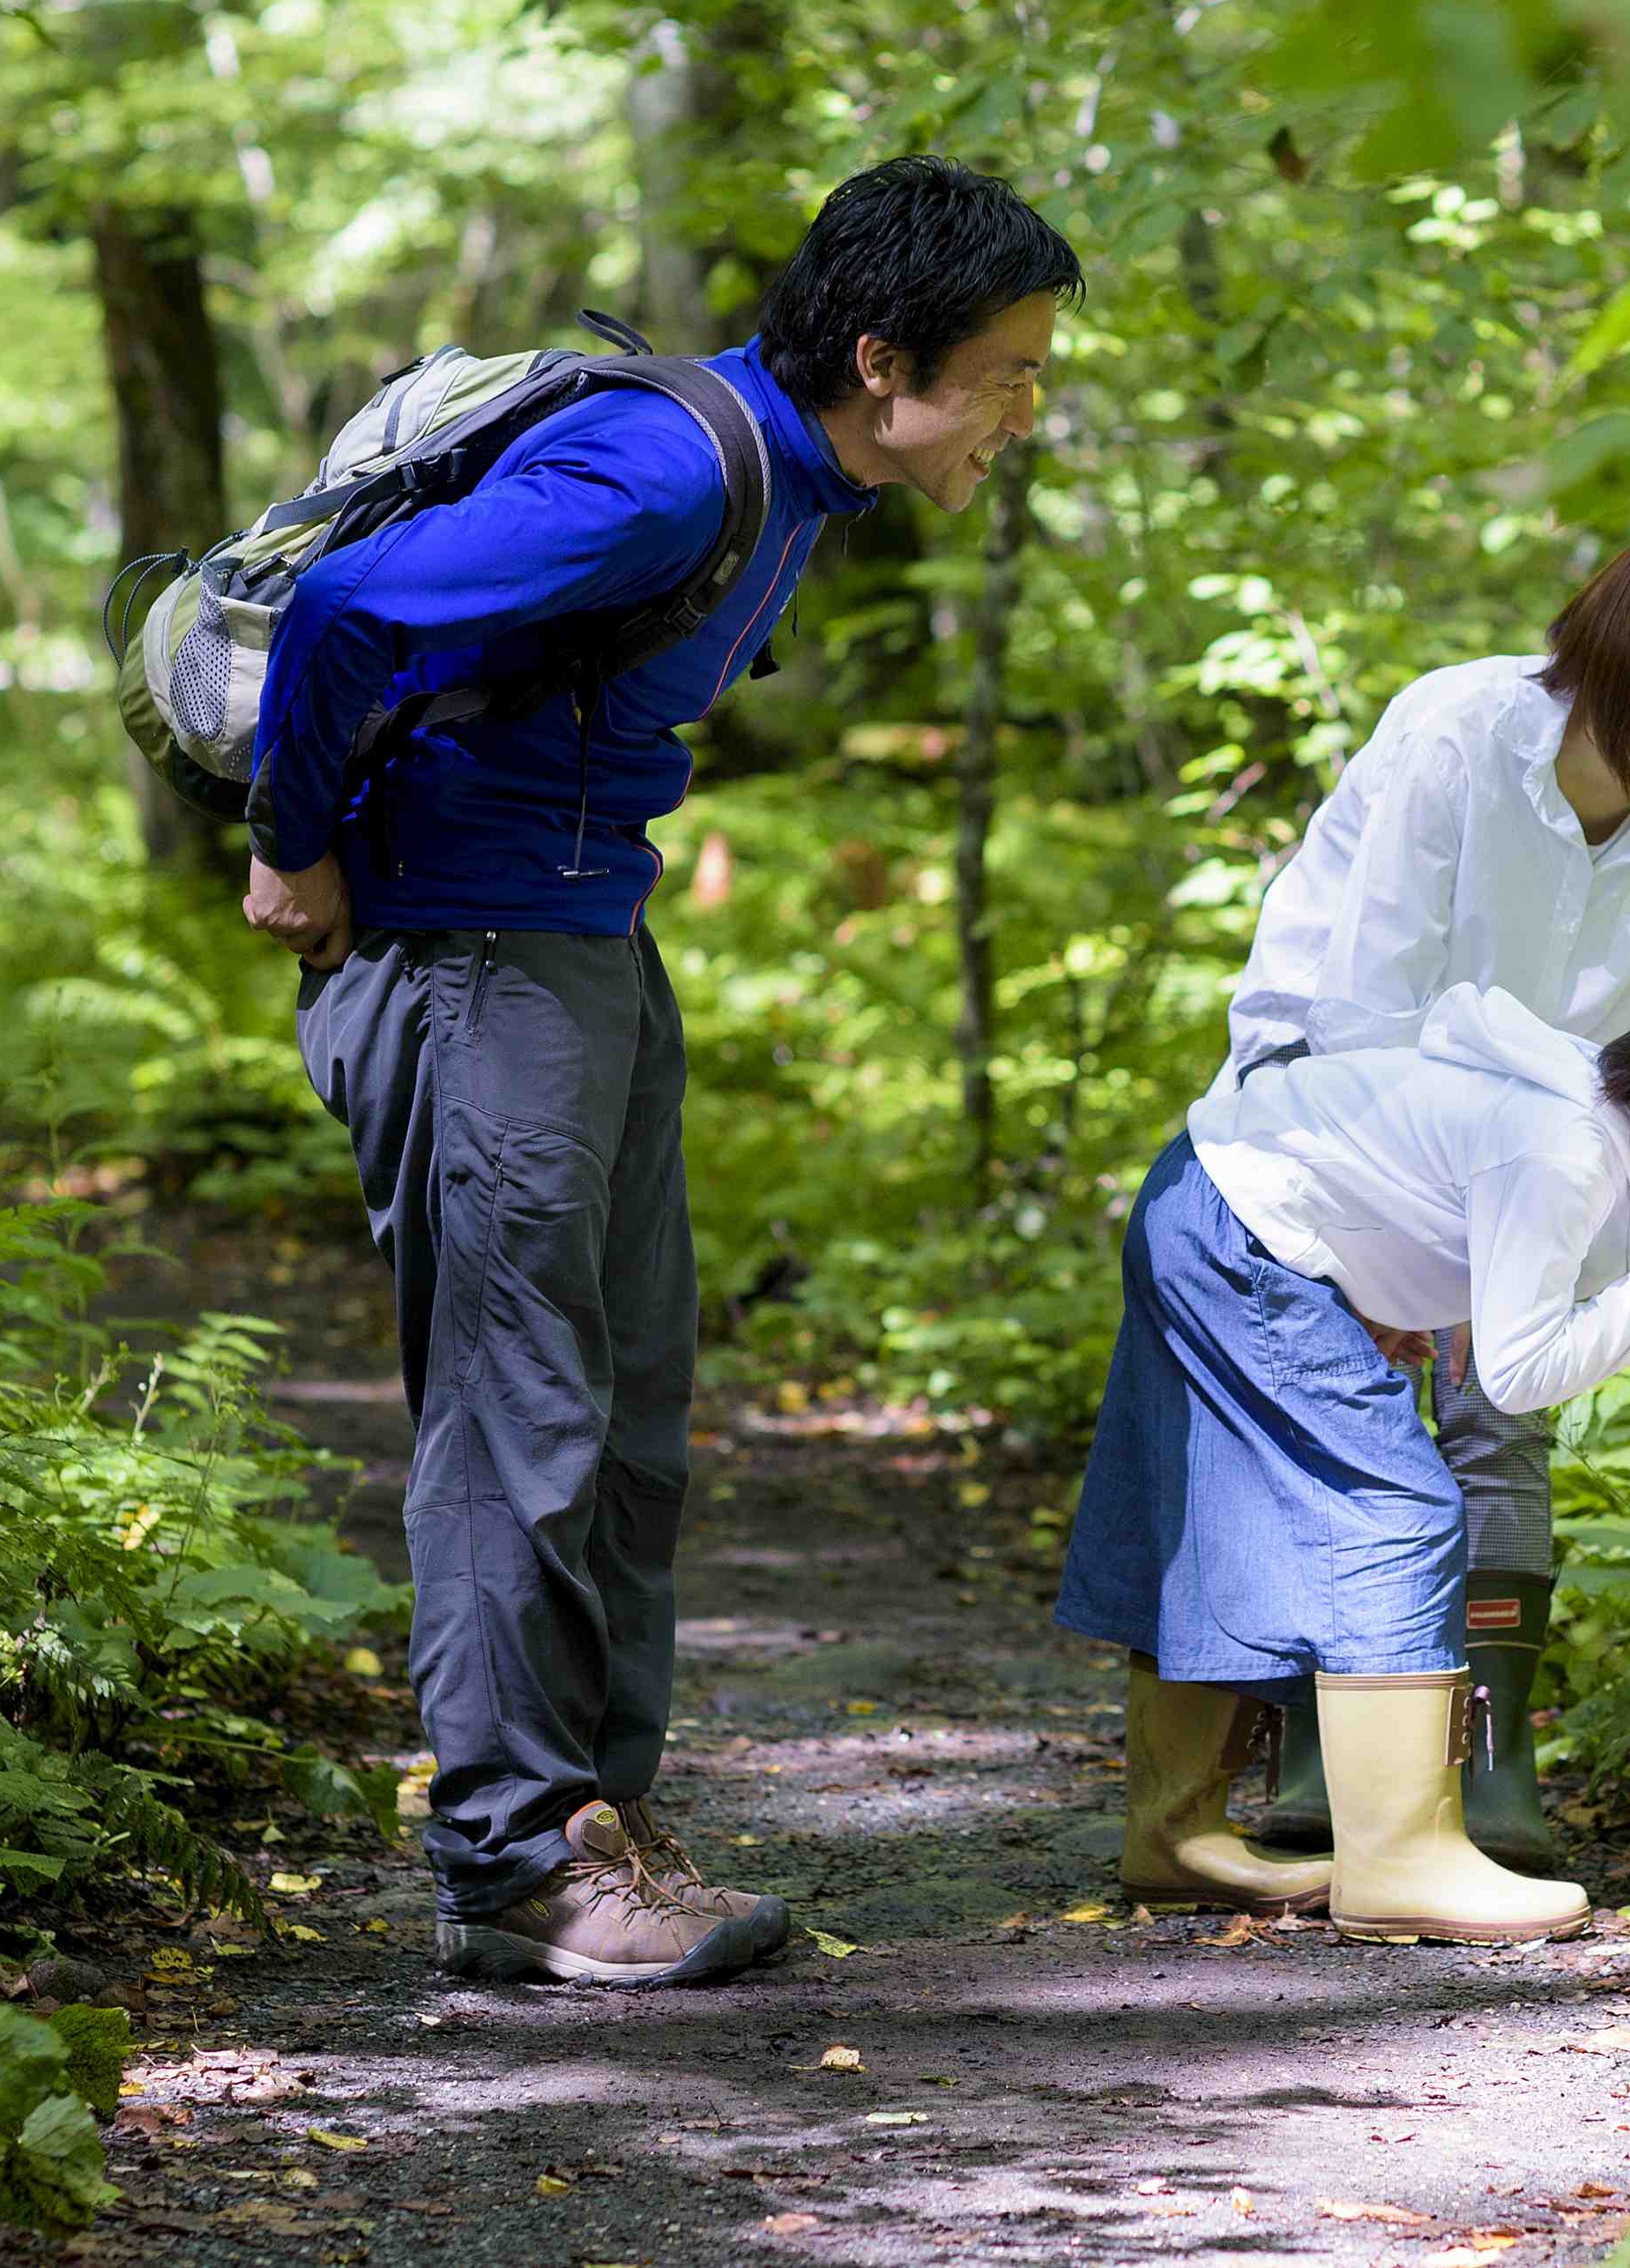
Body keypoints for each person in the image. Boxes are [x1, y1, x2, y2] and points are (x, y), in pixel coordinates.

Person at [244, 156, 1081, 1988]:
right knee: (516, 1406)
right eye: (1009, 368)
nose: (1029, 404)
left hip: (576, 941)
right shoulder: (667, 471)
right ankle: (509, 1866)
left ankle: (599, 1827)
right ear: (882, 356)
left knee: (627, 1407)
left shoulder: (800, 475)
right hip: (466, 957)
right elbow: (347, 610)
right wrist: (294, 840)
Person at [1224, 520, 1630, 1871]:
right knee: (1355, 1406)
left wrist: (1542, 1228)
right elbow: (1364, 997)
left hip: (1530, 1111)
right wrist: (1382, 1247)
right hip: (1330, 1088)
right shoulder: (1458, 734)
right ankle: (1330, 1741)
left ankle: (1488, 1756)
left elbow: (1619, 1020)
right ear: (1615, 653)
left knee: (1502, 1395)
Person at [1056, 963, 1630, 1943]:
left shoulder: (1584, 1115)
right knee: (1399, 1508)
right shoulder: (1564, 1145)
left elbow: (1400, 1186)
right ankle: (1398, 1859)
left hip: (1211, 1200)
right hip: (1234, 1227)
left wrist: (1384, 1292)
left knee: (1224, 1506)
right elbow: (1516, 1378)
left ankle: (1174, 1833)